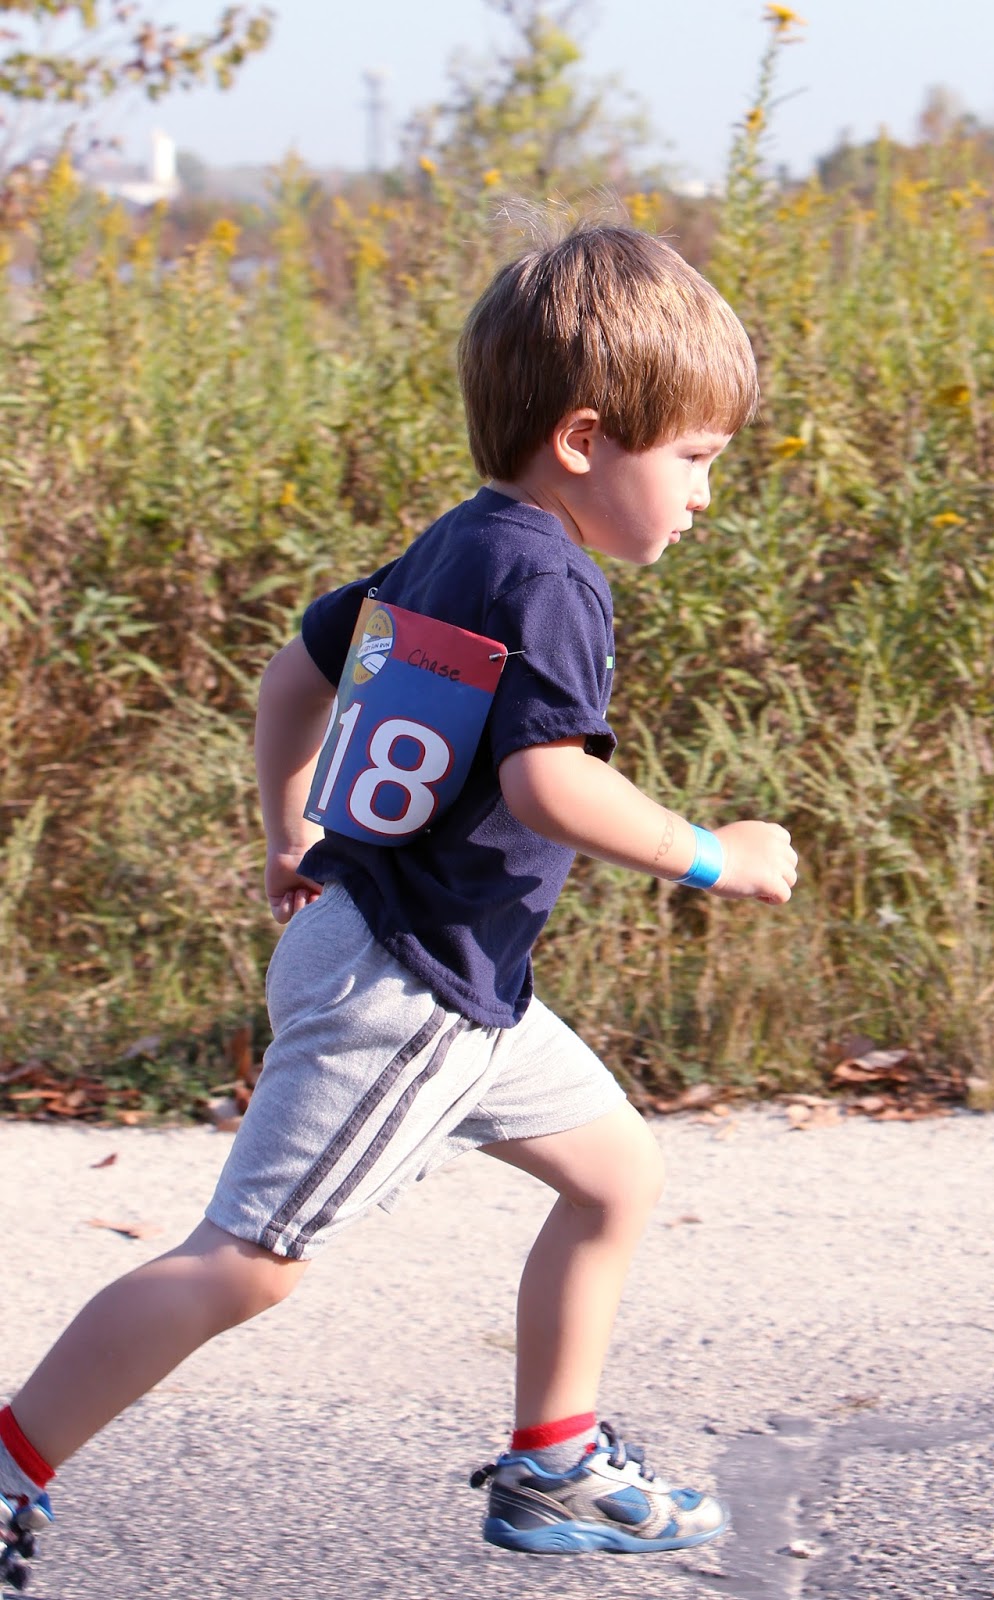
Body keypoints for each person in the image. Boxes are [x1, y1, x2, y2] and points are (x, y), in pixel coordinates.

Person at [0, 220, 796, 1581]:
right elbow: (551, 787)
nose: (709, 497)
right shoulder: (554, 582)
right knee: (249, 1261)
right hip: (409, 986)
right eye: (700, 462)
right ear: (588, 438)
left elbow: (288, 679)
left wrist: (288, 825)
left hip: (436, 966)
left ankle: (554, 1466)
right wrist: (713, 852)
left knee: (615, 1175)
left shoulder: (459, 542)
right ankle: (12, 1462)